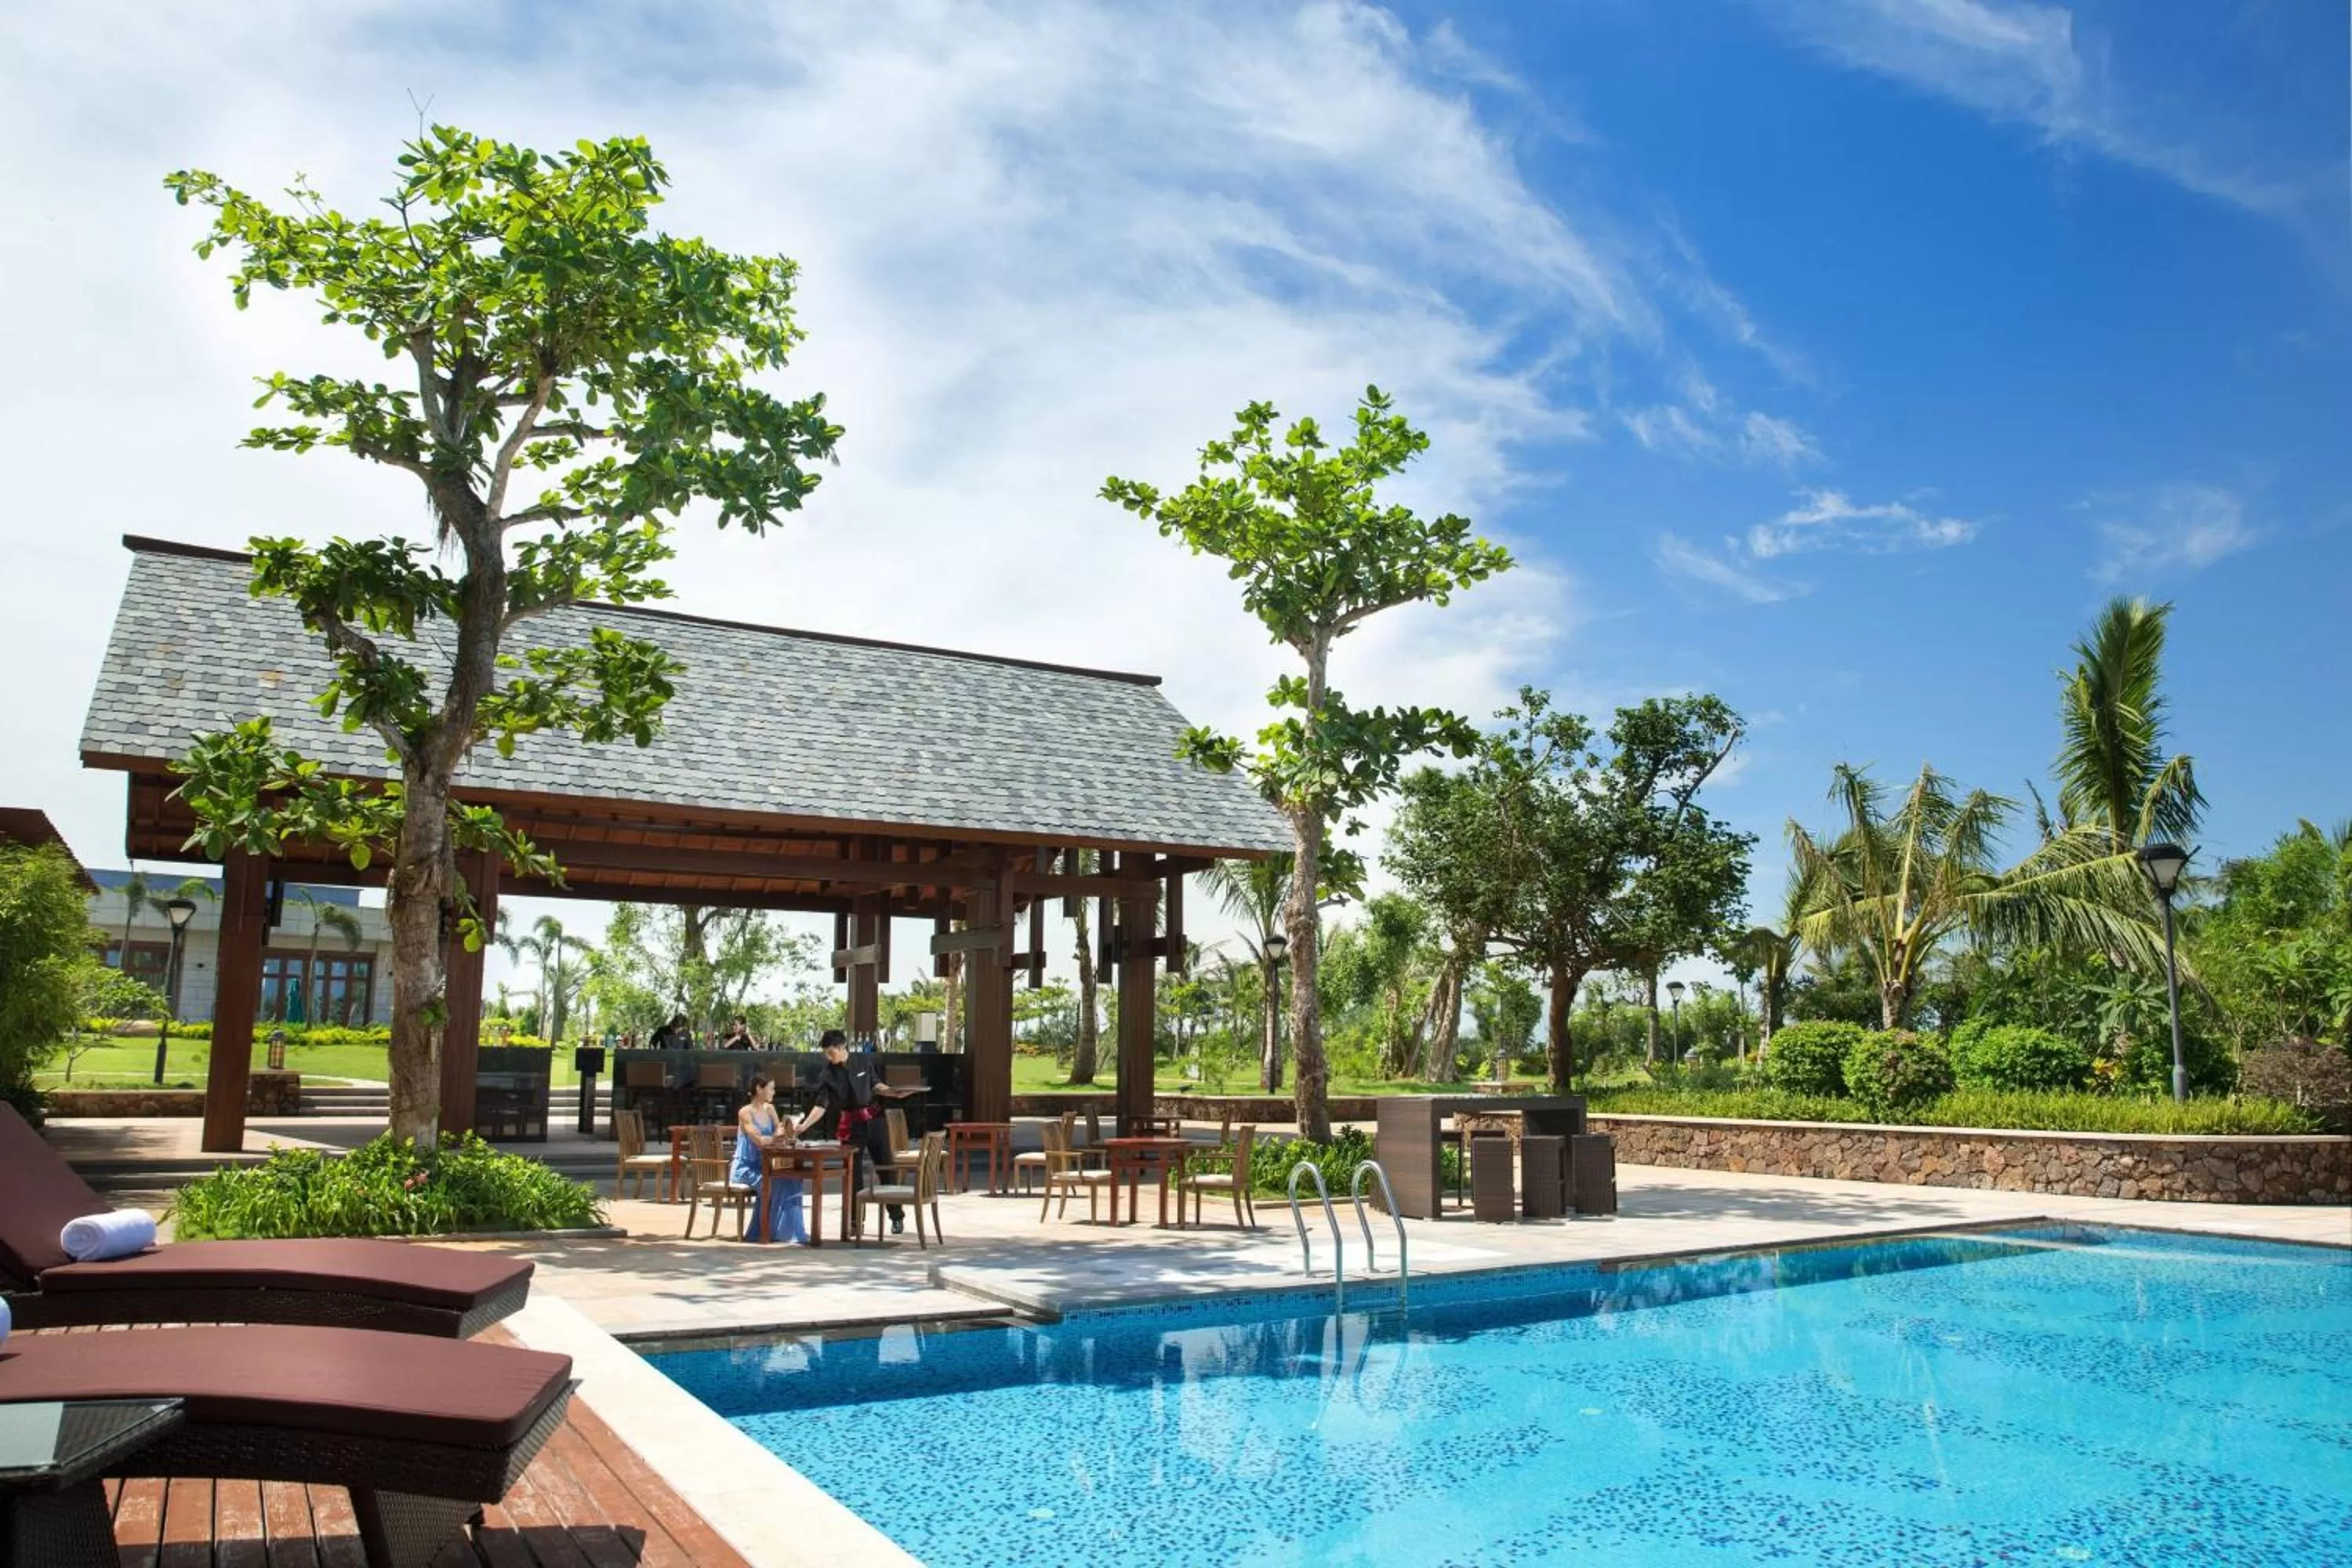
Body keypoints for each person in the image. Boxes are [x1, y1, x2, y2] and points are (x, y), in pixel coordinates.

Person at [797, 1029, 902, 1233]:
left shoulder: (862, 1061)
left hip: (875, 1121)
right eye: (826, 1053)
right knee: (854, 1175)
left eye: (830, 1052)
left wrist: (893, 1092)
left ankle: (896, 1217)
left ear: (841, 1047)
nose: (828, 1057)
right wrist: (805, 1126)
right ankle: (855, 1222)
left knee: (886, 1168)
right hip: (852, 1127)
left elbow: (875, 1084)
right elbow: (821, 1105)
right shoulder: (827, 1074)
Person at [731, 1074, 807, 1244]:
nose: (774, 1092)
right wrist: (775, 1137)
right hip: (746, 1168)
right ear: (759, 1089)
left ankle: (788, 1232)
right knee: (771, 1183)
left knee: (792, 1179)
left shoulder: (770, 1109)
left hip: (765, 1166)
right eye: (771, 1088)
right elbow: (759, 1140)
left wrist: (789, 1131)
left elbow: (779, 1135)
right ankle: (766, 1232)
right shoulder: (745, 1112)